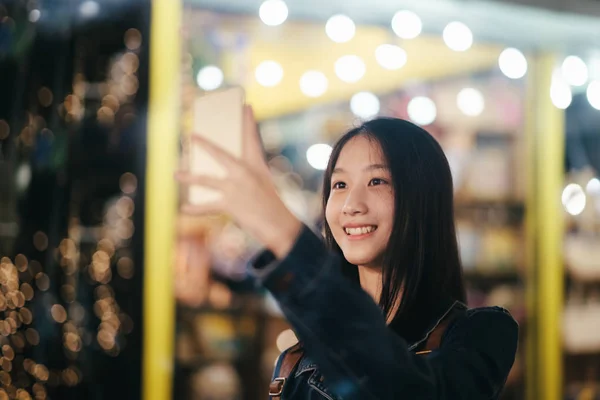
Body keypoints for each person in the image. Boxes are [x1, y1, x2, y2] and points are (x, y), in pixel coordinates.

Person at [176, 106, 519, 400]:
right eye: (339, 185)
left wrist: (281, 230)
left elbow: (404, 389)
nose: (351, 205)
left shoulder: (480, 334)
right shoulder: (296, 361)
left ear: (424, 199)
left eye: (377, 182)